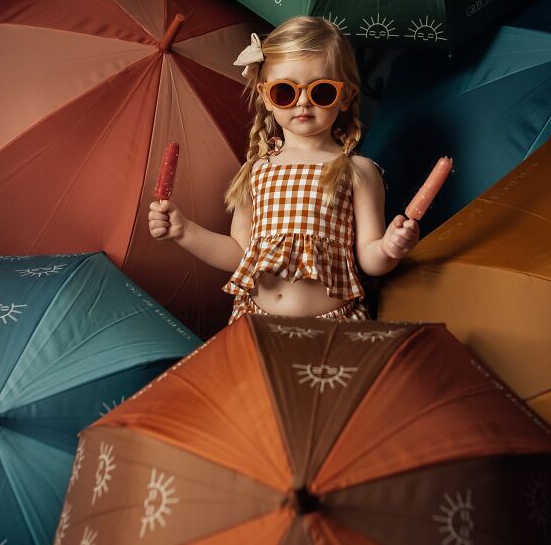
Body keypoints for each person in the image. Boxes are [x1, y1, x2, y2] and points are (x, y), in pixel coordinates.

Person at [148, 16, 419, 323]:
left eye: (321, 92)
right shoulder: (258, 170)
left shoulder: (358, 171)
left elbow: (368, 259)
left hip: (332, 323)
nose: (303, 103)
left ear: (345, 97)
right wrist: (184, 230)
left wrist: (389, 248)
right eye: (285, 92)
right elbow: (239, 253)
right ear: (266, 96)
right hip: (256, 319)